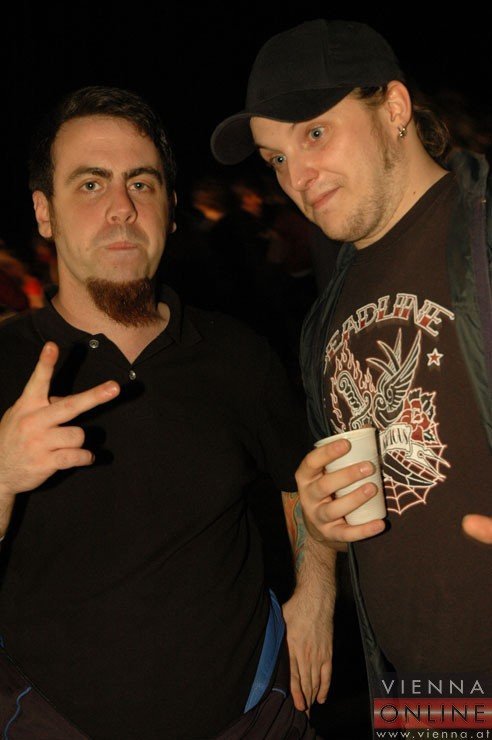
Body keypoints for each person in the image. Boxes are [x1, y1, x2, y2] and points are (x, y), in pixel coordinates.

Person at [0, 85, 371, 739]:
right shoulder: (7, 361)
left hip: (255, 718)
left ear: (170, 210)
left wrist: (315, 593)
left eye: (141, 184)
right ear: (44, 212)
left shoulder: (235, 353)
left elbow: (300, 482)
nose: (121, 207)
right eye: (90, 184)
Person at [211, 17, 492, 732]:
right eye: (276, 158)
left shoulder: (483, 231)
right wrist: (318, 559)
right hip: (415, 693)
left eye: (314, 133)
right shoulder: (328, 306)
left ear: (394, 108)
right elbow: (337, 487)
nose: (296, 178)